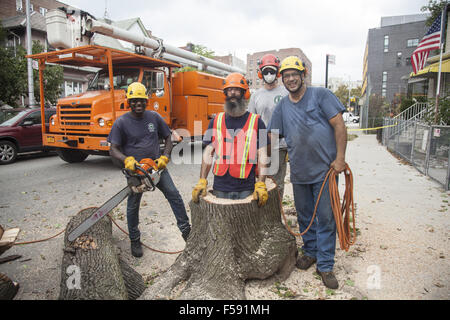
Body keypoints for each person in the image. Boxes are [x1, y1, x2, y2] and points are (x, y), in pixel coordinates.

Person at [268, 56, 347, 289]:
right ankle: (310, 251)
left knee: (325, 218)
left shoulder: (320, 95)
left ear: (303, 75)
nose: (290, 79)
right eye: (286, 75)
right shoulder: (282, 105)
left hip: (325, 171)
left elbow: (339, 125)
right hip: (300, 172)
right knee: (304, 216)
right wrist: (265, 165)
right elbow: (272, 136)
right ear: (283, 79)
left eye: (294, 74)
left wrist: (340, 158)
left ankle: (325, 264)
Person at [108, 82, 191, 258]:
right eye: (134, 101)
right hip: (136, 171)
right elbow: (113, 148)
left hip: (156, 168)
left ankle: (186, 231)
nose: (138, 104)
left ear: (146, 101)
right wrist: (126, 160)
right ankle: (135, 239)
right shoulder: (121, 123)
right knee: (133, 205)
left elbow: (168, 136)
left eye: (141, 101)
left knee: (174, 195)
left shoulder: (154, 117)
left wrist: (165, 156)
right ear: (129, 102)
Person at [192, 73, 269, 206]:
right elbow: (208, 152)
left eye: (237, 90)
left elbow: (262, 154)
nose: (232, 93)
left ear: (244, 93)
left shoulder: (257, 122)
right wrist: (202, 180)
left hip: (246, 187)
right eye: (229, 90)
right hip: (220, 186)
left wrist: (261, 183)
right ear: (225, 94)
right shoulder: (216, 120)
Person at [247, 54, 289, 199]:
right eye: (266, 72)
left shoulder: (285, 93)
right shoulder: (256, 96)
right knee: (261, 181)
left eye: (272, 71)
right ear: (261, 73)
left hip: (280, 146)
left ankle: (276, 216)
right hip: (261, 147)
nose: (269, 74)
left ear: (277, 72)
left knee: (277, 183)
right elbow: (251, 121)